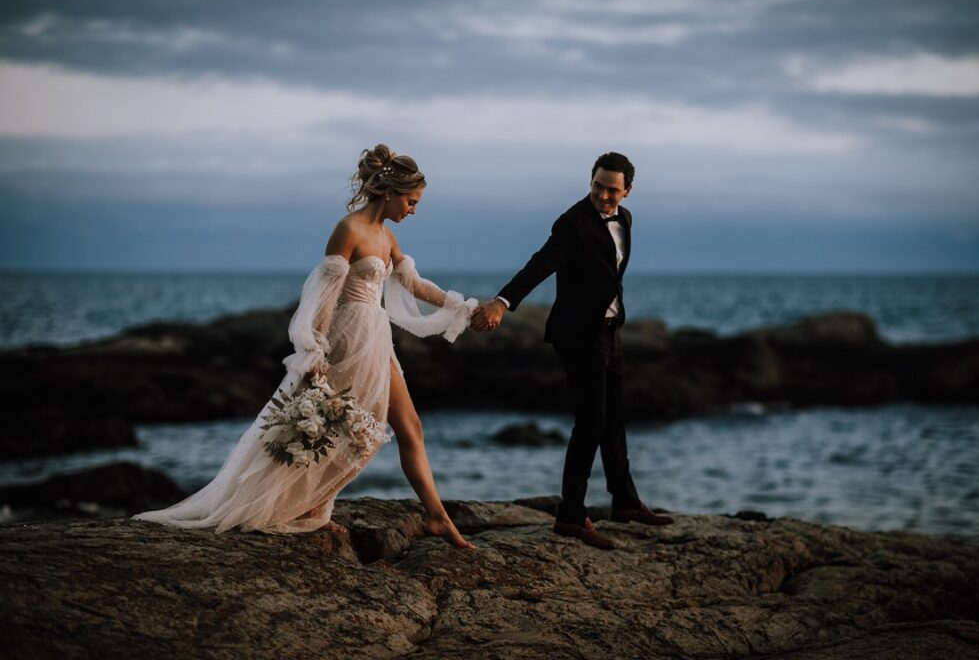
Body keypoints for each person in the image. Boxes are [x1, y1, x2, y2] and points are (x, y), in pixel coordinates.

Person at [134, 144, 476, 549]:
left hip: (376, 338)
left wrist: (464, 307)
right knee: (338, 428)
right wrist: (314, 352)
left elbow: (414, 285)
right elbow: (322, 297)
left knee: (403, 427)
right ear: (389, 191)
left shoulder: (387, 236)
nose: (413, 210)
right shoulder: (348, 230)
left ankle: (434, 516)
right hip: (347, 338)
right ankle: (307, 510)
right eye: (411, 201)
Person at [472, 152, 673, 550]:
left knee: (615, 416)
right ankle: (570, 514)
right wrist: (502, 302)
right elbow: (540, 264)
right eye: (597, 185)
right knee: (591, 421)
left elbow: (609, 274)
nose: (602, 195)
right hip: (578, 335)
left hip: (610, 329)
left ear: (627, 191)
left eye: (612, 189)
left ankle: (625, 502)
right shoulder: (572, 223)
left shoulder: (626, 220)